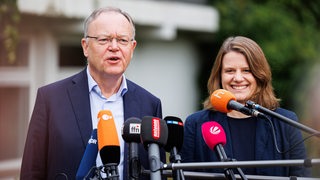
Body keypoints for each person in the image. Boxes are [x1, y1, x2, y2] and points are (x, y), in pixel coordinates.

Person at [20, 7, 164, 180]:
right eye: (104, 39)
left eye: (122, 40)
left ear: (132, 48)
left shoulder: (150, 104)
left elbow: (157, 172)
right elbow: (32, 171)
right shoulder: (50, 99)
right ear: (85, 47)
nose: (114, 47)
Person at [180, 36, 310, 177]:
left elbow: (303, 176)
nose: (238, 78)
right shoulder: (196, 124)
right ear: (219, 76)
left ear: (260, 75)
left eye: (246, 70)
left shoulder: (285, 122)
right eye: (229, 71)